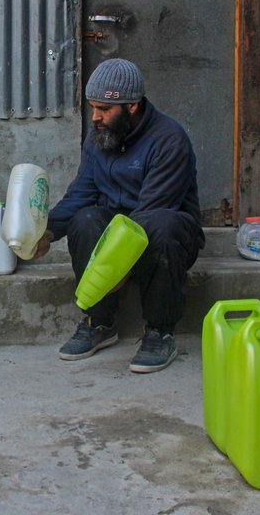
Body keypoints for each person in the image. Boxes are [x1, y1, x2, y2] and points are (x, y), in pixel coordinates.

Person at [31, 58, 205, 373]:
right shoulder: (99, 138)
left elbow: (150, 210)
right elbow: (81, 193)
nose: (94, 117)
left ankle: (160, 332)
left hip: (162, 235)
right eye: (92, 107)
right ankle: (100, 323)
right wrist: (47, 233)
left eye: (104, 109)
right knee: (84, 219)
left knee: (161, 226)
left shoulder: (169, 139)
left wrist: (114, 267)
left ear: (132, 107)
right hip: (117, 234)